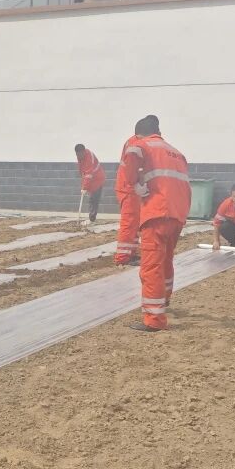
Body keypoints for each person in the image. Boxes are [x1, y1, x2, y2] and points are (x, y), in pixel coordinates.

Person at [121, 115, 191, 331]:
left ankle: (154, 319)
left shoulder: (141, 145)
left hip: (157, 213)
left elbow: (130, 155)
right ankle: (164, 300)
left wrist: (134, 184)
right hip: (177, 214)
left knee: (151, 267)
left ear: (138, 134)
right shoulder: (176, 152)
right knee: (166, 260)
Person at [113, 152, 141, 266]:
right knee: (129, 223)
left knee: (134, 224)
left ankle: (130, 253)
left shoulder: (136, 146)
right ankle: (123, 257)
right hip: (129, 189)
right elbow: (131, 170)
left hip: (131, 189)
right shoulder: (135, 147)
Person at [74, 142, 106, 223]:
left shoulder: (89, 157)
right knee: (91, 199)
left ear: (83, 152)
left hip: (97, 179)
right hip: (91, 180)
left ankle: (92, 218)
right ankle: (91, 217)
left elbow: (88, 173)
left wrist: (84, 187)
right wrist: (83, 184)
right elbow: (82, 171)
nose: (78, 156)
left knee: (94, 199)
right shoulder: (80, 156)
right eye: (77, 155)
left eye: (79, 155)